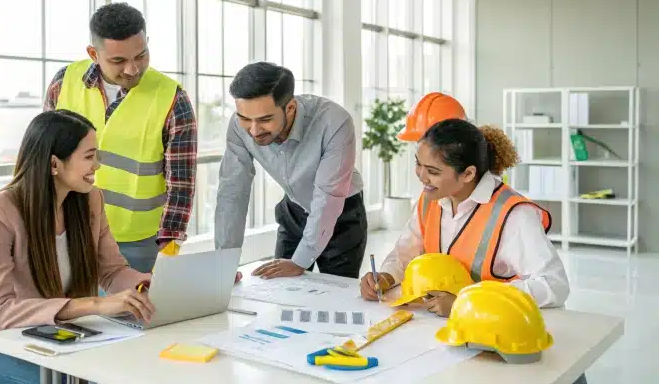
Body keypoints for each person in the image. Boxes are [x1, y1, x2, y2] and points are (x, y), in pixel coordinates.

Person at [0, 110, 156, 384]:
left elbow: (113, 271)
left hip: (53, 341)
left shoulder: (89, 201)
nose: (98, 165)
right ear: (54, 163)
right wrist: (94, 305)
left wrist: (156, 283)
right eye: (89, 157)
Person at [45, 2, 197, 273]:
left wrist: (170, 244)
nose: (132, 69)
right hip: (69, 231)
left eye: (141, 55)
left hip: (137, 244)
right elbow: (44, 158)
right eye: (118, 60)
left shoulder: (173, 99)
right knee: (71, 313)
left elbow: (181, 183)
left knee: (131, 314)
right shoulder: (64, 82)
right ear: (94, 53)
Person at [360, 118, 570, 314]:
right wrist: (386, 276)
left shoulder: (514, 215)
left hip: (492, 326)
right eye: (418, 164)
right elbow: (405, 254)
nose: (422, 177)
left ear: (468, 174)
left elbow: (554, 284)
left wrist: (468, 301)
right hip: (433, 323)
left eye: (433, 171)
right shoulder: (430, 200)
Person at [215, 62, 367, 280]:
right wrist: (224, 262)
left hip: (342, 213)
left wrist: (299, 262)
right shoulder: (240, 127)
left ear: (290, 108)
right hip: (294, 209)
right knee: (280, 288)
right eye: (246, 119)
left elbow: (327, 199)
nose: (254, 131)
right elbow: (232, 192)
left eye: (265, 119)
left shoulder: (334, 122)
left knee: (334, 297)